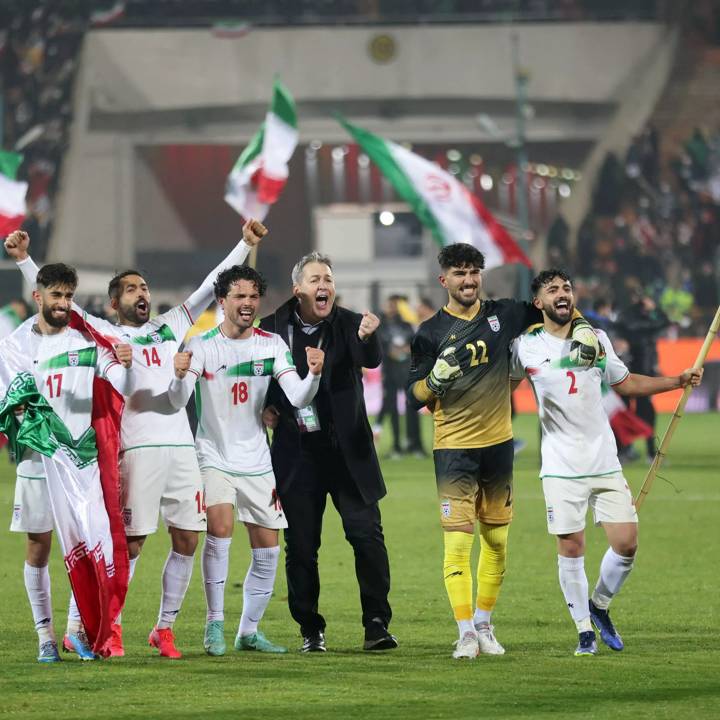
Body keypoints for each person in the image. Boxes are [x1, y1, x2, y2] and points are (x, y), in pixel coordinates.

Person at [4, 220, 267, 658]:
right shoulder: (104, 335)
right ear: (113, 302)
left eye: (144, 287)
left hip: (182, 447)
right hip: (135, 451)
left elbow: (208, 287)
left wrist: (244, 243)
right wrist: (23, 261)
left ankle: (163, 629)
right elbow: (56, 297)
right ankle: (91, 627)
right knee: (126, 543)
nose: (141, 293)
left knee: (187, 538)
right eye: (130, 289)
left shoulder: (169, 325)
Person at [407, 243, 590, 659]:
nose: (468, 280)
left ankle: (486, 624)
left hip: (499, 446)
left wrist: (581, 328)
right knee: (458, 544)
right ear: (444, 280)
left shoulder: (504, 314)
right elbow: (414, 394)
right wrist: (435, 380)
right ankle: (465, 631)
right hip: (453, 448)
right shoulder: (429, 333)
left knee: (497, 543)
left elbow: (556, 306)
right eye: (459, 273)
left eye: (474, 272)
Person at [511, 269, 702, 656]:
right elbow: (501, 387)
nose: (562, 294)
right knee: (572, 546)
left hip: (603, 459)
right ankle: (583, 630)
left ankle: (598, 605)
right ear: (538, 303)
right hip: (560, 466)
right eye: (553, 290)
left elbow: (626, 382)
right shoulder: (524, 346)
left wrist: (677, 380)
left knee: (626, 543)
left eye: (567, 288)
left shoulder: (596, 339)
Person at [168, 265, 325, 656]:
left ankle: (248, 632)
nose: (247, 304)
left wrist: (315, 374)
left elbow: (298, 397)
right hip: (213, 455)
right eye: (239, 297)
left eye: (253, 297)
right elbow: (175, 402)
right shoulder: (202, 346)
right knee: (220, 531)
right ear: (221, 302)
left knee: (268, 549)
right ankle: (214, 625)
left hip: (256, 459)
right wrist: (178, 376)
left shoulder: (270, 345)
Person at [259, 251, 397, 653]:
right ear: (298, 288)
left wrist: (371, 337)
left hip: (347, 451)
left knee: (367, 536)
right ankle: (310, 629)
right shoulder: (271, 328)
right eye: (316, 279)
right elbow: (262, 376)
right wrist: (268, 404)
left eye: (329, 280)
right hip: (296, 452)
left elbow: (369, 360)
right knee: (301, 546)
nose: (325, 286)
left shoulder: (352, 323)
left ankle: (376, 624)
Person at [0, 263, 133, 662]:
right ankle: (45, 635)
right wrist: (51, 440)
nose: (62, 303)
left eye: (68, 296)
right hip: (39, 460)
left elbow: (116, 383)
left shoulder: (86, 339)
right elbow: (16, 402)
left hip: (81, 461)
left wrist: (123, 365)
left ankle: (77, 631)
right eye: (55, 295)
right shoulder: (18, 345)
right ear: (37, 297)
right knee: (38, 546)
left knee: (92, 543)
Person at [616, 291, 670, 462]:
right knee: (624, 412)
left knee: (646, 412)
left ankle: (648, 451)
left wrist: (654, 311)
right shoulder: (628, 318)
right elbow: (644, 328)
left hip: (644, 373)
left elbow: (664, 323)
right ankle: (624, 450)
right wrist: (651, 314)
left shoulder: (644, 318)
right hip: (626, 373)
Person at [375, 294, 416, 458]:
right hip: (390, 373)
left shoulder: (406, 325)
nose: (391, 308)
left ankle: (413, 444)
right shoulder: (380, 326)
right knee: (391, 408)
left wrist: (406, 349)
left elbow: (414, 344)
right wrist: (389, 351)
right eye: (389, 305)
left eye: (394, 305)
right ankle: (396, 445)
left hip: (406, 371)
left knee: (411, 407)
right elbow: (378, 347)